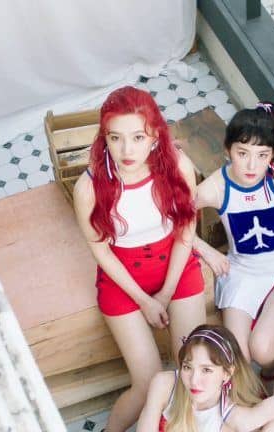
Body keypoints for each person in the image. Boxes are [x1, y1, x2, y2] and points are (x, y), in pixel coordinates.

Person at [73, 86, 206, 432]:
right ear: (104, 138)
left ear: (154, 136)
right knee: (147, 382)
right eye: (115, 138)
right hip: (123, 279)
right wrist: (144, 300)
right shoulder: (89, 187)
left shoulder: (178, 166)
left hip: (176, 267)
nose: (127, 150)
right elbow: (100, 250)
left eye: (137, 137)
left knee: (194, 370)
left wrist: (166, 292)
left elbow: (186, 231)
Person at [192, 102, 274, 380]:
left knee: (263, 350)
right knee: (239, 358)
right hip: (242, 272)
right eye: (242, 153)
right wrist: (205, 250)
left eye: (262, 155)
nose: (251, 165)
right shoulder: (216, 187)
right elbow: (170, 216)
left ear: (273, 155)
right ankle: (249, 394)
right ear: (228, 150)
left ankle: (273, 372)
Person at [137, 324, 274, 431]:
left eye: (206, 370)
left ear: (226, 373)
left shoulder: (231, 419)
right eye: (187, 367)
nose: (194, 381)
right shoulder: (163, 384)